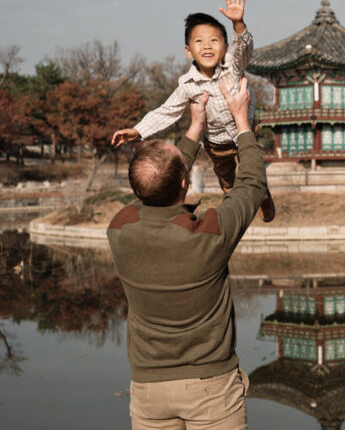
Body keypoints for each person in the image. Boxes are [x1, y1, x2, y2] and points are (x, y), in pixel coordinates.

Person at [108, 76, 265, 429]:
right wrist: (241, 121)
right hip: (211, 388)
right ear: (184, 182)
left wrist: (195, 127)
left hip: (149, 390)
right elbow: (252, 184)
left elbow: (153, 186)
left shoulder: (120, 229)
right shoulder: (209, 235)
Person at [112, 0, 275, 222]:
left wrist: (238, 24)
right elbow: (167, 110)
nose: (207, 46)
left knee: (253, 167)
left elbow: (243, 49)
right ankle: (235, 206)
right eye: (199, 41)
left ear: (225, 48)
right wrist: (138, 130)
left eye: (214, 40)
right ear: (188, 50)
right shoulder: (187, 84)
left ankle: (262, 194)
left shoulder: (233, 66)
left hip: (244, 132)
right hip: (216, 142)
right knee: (226, 180)